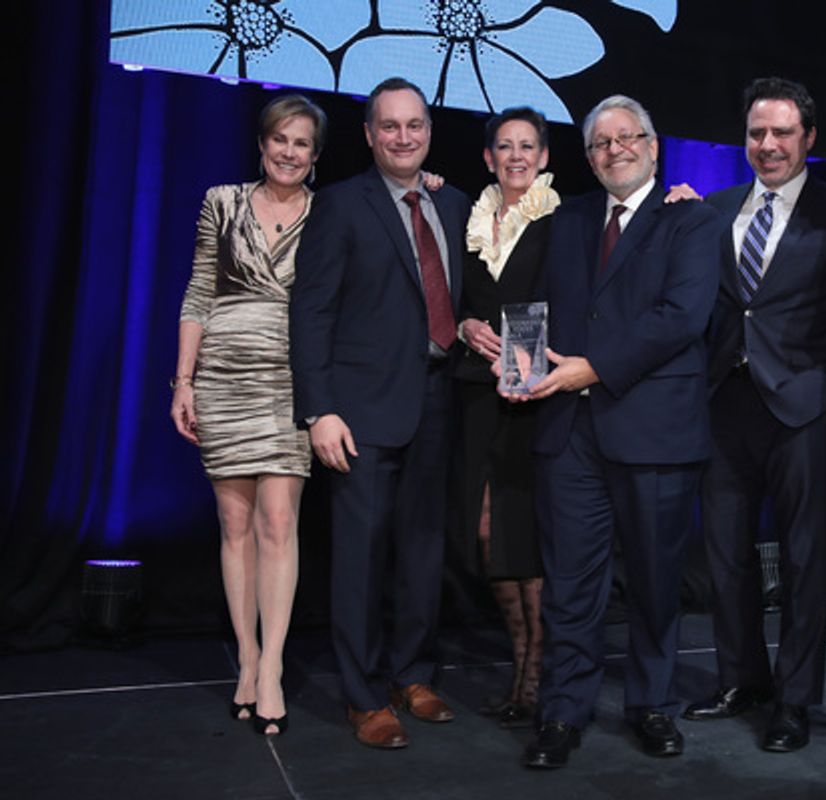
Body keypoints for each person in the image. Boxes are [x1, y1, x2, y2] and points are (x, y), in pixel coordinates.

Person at [515, 95, 720, 769]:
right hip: (568, 433)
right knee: (571, 585)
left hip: (655, 431)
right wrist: (514, 357)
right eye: (601, 143)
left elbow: (682, 316)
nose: (615, 150)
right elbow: (532, 305)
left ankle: (652, 705)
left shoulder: (691, 219)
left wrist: (593, 369)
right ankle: (562, 713)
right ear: (589, 155)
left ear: (653, 146)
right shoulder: (566, 218)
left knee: (657, 581)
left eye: (628, 137)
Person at [682, 77, 826, 752]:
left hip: (803, 407)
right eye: (757, 134)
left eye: (782, 133)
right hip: (724, 405)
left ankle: (794, 701)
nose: (768, 145)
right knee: (725, 556)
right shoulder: (714, 208)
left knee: (803, 560)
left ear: (809, 139)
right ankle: (741, 679)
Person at [288, 77, 470, 749]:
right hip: (360, 411)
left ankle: (413, 674)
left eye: (414, 125)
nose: (403, 137)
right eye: (389, 126)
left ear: (428, 131)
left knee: (424, 550)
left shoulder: (452, 204)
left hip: (436, 397)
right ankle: (363, 697)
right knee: (360, 559)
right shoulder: (339, 207)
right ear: (369, 135)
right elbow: (310, 315)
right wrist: (320, 412)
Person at [171, 93, 327, 737]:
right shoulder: (221, 201)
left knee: (279, 520)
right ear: (262, 144)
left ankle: (272, 670)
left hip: (290, 380)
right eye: (279, 140)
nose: (288, 152)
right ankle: (248, 655)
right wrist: (183, 381)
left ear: (315, 157)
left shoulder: (329, 213)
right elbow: (199, 292)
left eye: (302, 144)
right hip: (223, 380)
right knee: (233, 525)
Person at [454, 106, 560, 728]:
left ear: (544, 156)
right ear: (489, 156)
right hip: (473, 394)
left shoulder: (559, 216)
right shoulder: (468, 214)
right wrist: (467, 325)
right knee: (487, 533)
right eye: (504, 146)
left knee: (524, 534)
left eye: (527, 146)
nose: (516, 155)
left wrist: (523, 371)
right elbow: (460, 300)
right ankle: (519, 659)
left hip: (530, 395)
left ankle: (534, 675)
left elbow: (559, 298)